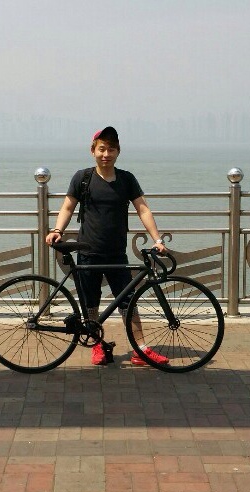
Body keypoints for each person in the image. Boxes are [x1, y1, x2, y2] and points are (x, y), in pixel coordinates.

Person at [45, 126, 169, 366]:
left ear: (118, 152)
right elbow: (68, 207)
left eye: (111, 149)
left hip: (116, 254)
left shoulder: (126, 179)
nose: (106, 154)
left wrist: (158, 239)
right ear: (93, 151)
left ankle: (141, 350)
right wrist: (57, 230)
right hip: (87, 252)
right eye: (102, 149)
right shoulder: (83, 178)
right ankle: (96, 345)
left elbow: (142, 209)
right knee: (90, 302)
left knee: (128, 301)